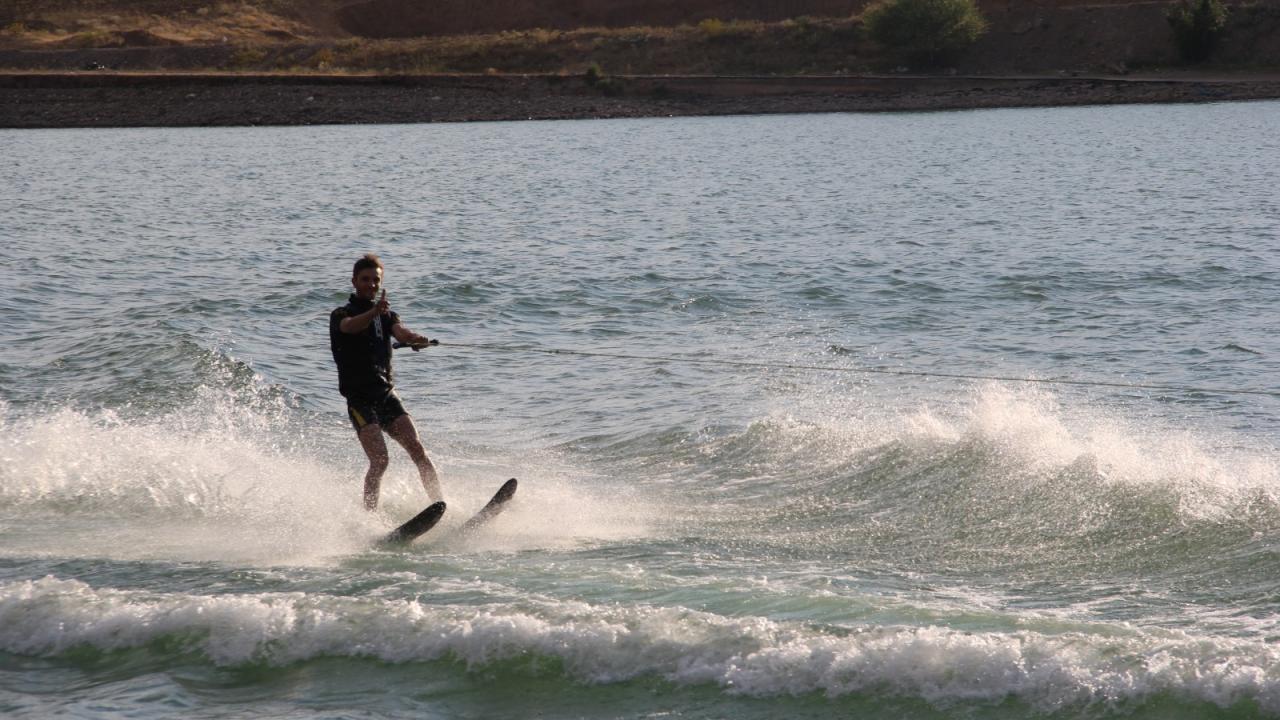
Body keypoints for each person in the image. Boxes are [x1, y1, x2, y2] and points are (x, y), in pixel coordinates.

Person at [330, 253, 441, 510]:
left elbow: (402, 332)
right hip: (359, 399)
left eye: (375, 280)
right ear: (354, 281)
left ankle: (439, 504)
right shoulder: (341, 313)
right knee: (380, 461)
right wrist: (373, 312)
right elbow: (349, 328)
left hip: (385, 393)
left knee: (417, 449)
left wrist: (417, 339)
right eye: (365, 279)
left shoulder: (387, 315)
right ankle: (369, 518)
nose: (371, 284)